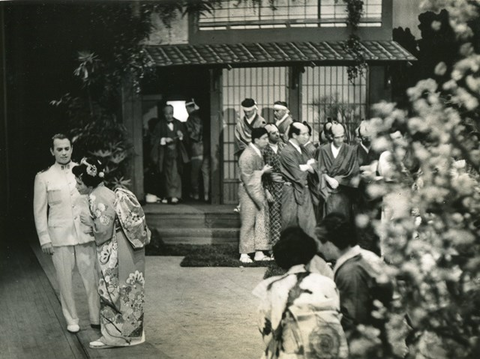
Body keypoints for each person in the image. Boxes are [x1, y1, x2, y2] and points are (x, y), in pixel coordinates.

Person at [73, 157, 149, 349]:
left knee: (111, 289)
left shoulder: (97, 196)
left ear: (88, 181)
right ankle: (133, 335)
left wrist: (90, 223)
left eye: (79, 182)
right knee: (129, 290)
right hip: (128, 245)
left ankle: (114, 337)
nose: (76, 186)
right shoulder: (106, 191)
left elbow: (104, 230)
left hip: (116, 247)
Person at [33, 133, 100, 334]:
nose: (63, 152)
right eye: (59, 149)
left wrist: (96, 225)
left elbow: (94, 199)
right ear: (52, 151)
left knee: (92, 278)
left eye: (67, 148)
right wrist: (44, 238)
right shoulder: (43, 177)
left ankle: (96, 317)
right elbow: (39, 210)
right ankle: (72, 319)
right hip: (59, 237)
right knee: (64, 280)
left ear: (72, 149)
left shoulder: (83, 170)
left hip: (84, 234)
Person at [252, 227, 348, 359]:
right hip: (327, 350)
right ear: (309, 255)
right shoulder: (327, 283)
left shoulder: (274, 287)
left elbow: (267, 333)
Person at [316, 213, 393, 343]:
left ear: (329, 243)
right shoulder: (366, 257)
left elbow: (353, 318)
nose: (319, 248)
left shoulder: (350, 271)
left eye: (319, 242)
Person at [238, 127, 273, 263]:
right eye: (264, 138)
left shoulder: (257, 152)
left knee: (259, 221)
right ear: (256, 140)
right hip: (248, 191)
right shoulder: (247, 155)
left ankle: (259, 252)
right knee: (248, 221)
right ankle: (244, 254)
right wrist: (262, 172)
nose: (266, 141)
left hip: (256, 190)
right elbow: (247, 178)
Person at [279, 122, 317, 239]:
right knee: (291, 222)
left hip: (303, 190)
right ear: (294, 135)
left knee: (308, 224)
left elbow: (316, 166)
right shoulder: (287, 151)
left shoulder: (302, 149)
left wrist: (305, 166)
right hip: (291, 191)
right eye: (304, 134)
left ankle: (307, 253)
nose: (307, 136)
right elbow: (297, 174)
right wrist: (307, 166)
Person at [317, 122, 359, 222]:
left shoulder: (350, 150)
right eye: (337, 137)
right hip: (328, 191)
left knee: (343, 221)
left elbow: (354, 171)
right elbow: (320, 169)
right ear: (331, 137)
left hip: (344, 192)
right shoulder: (323, 150)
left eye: (342, 137)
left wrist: (338, 180)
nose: (340, 140)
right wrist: (328, 178)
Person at [151, 104, 190, 204]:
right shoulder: (160, 125)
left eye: (171, 113)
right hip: (165, 154)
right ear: (164, 114)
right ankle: (168, 195)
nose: (169, 116)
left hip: (177, 154)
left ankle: (176, 195)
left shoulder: (179, 124)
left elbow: (187, 138)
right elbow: (153, 139)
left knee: (176, 174)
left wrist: (181, 136)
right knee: (167, 175)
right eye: (167, 114)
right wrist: (163, 139)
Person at [263, 124, 285, 247]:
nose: (277, 135)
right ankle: (273, 249)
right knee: (274, 218)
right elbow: (263, 173)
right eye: (273, 133)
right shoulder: (264, 150)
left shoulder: (283, 146)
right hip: (271, 187)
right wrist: (266, 190)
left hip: (285, 186)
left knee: (285, 217)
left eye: (278, 132)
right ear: (267, 135)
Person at [185, 99, 210, 201]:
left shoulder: (191, 117)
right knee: (205, 172)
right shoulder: (204, 115)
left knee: (194, 172)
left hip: (196, 147)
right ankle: (206, 195)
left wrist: (188, 133)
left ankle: (195, 194)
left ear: (188, 107)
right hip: (207, 145)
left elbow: (195, 133)